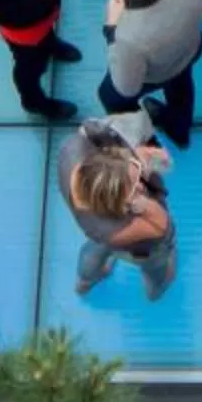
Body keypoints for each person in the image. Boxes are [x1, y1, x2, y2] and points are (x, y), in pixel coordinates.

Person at [98, 0, 202, 147]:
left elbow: (128, 88)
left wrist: (111, 30)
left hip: (157, 72)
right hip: (190, 49)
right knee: (181, 82)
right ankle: (180, 130)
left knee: (110, 96)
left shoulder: (128, 37)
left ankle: (144, 140)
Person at [60, 117, 177, 301]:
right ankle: (156, 287)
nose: (140, 186)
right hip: (135, 246)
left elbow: (89, 129)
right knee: (155, 259)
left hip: (96, 232)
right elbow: (163, 228)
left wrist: (137, 156)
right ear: (117, 203)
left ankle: (85, 281)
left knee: (96, 248)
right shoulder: (117, 230)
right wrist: (145, 205)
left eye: (135, 170)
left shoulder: (72, 153)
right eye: (133, 188)